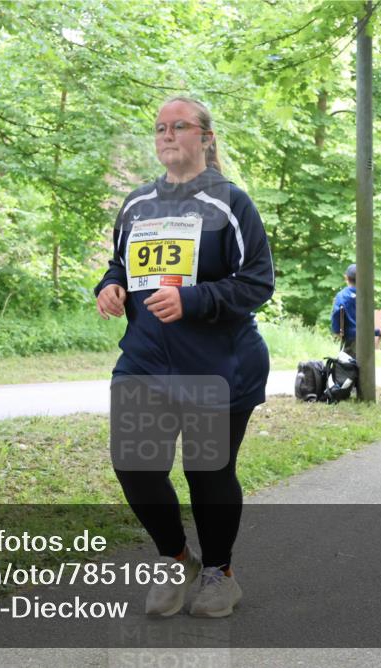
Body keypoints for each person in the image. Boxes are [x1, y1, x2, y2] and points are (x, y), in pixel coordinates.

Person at [94, 96, 274, 618]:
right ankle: (175, 558)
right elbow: (120, 265)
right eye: (159, 128)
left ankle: (220, 573)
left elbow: (257, 283)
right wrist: (110, 287)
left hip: (217, 365)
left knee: (207, 472)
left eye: (179, 126)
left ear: (206, 138)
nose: (168, 135)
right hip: (145, 360)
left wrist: (192, 300)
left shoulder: (230, 203)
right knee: (134, 465)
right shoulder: (137, 204)